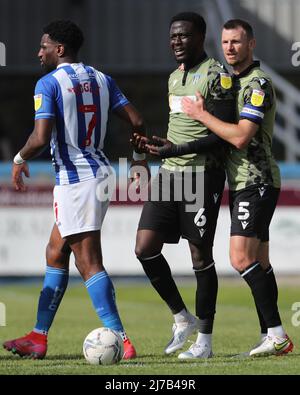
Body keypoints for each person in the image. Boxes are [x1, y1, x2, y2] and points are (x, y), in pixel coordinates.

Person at [147, 19, 294, 357]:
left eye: (238, 42)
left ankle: (277, 333)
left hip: (255, 181)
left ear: (252, 45)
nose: (230, 48)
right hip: (242, 182)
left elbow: (241, 136)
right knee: (261, 261)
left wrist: (201, 114)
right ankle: (268, 334)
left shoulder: (257, 83)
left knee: (240, 258)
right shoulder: (232, 82)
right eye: (226, 42)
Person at [3, 20, 146, 360]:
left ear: (60, 49)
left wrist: (19, 158)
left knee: (88, 262)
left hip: (76, 181)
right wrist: (139, 161)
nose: (39, 52)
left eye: (44, 46)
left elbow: (40, 138)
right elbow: (138, 121)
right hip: (99, 175)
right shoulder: (102, 79)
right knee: (56, 252)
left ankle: (122, 340)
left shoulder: (48, 83)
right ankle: (38, 337)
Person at [133, 12, 236, 359]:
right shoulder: (174, 78)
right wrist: (157, 146)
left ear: (201, 37)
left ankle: (204, 341)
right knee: (144, 248)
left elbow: (222, 137)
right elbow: (181, 127)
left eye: (184, 36)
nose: (177, 42)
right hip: (169, 173)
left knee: (199, 256)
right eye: (173, 36)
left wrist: (179, 149)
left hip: (202, 175)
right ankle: (182, 317)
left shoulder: (216, 76)